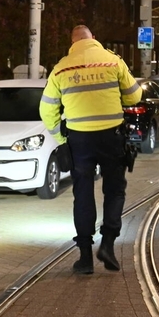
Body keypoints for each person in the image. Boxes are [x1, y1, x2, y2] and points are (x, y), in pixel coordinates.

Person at [39, 25, 141, 274]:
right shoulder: (112, 61)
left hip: (79, 140)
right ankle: (107, 244)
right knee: (114, 191)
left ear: (72, 43)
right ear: (93, 39)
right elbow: (134, 96)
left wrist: (60, 138)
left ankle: (85, 257)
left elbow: (46, 109)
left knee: (83, 194)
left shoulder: (61, 68)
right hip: (111, 136)